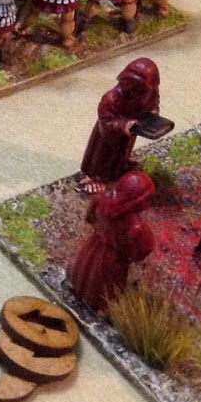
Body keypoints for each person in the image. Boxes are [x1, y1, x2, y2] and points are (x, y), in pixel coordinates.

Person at [68, 170, 157, 312]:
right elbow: (141, 251)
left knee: (86, 269)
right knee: (104, 286)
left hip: (94, 245)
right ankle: (97, 308)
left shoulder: (99, 200)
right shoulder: (136, 226)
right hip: (113, 261)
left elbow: (89, 218)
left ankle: (78, 290)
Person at [79, 57, 161, 193]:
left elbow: (154, 102)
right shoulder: (111, 98)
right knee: (103, 154)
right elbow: (106, 119)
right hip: (108, 136)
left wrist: (152, 114)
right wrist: (124, 125)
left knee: (124, 150)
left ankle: (120, 167)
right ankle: (95, 177)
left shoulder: (149, 92)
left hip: (131, 130)